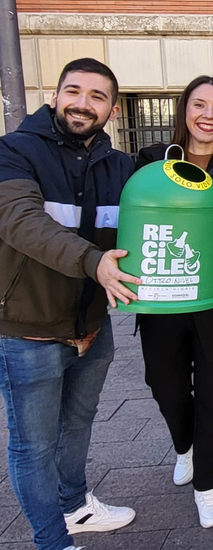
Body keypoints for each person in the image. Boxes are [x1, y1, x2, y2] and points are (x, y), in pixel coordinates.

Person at [0, 58, 138, 550]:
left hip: (92, 327)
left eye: (97, 96)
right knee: (32, 446)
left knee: (78, 424)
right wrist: (93, 260)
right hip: (28, 330)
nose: (84, 103)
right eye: (74, 92)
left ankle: (74, 505)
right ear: (55, 96)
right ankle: (51, 541)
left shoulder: (120, 166)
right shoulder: (14, 151)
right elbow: (20, 222)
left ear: (112, 109)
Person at [134, 76, 213, 528]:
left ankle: (208, 485)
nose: (209, 115)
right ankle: (183, 444)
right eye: (200, 105)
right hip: (164, 302)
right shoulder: (150, 163)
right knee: (164, 387)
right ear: (184, 109)